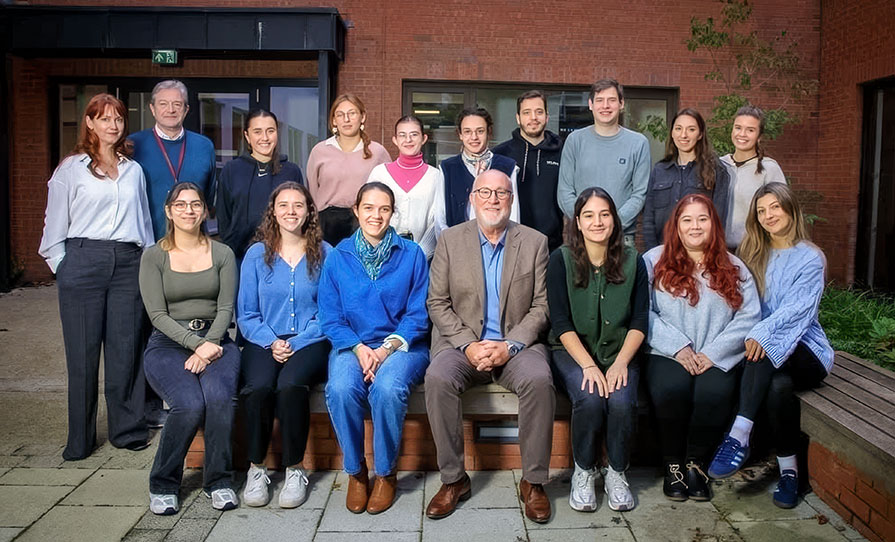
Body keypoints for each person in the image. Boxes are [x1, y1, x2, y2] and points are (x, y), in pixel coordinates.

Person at [425, 170, 554, 523]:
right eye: (486, 192)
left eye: (501, 193)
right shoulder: (450, 240)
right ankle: (454, 480)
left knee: (540, 380)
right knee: (437, 378)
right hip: (461, 344)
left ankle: (533, 481)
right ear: (472, 197)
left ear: (511, 200)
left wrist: (510, 346)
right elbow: (437, 303)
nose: (493, 199)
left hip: (516, 345)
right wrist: (467, 345)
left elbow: (542, 307)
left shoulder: (535, 242)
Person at [38, 93, 154, 461]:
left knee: (125, 351)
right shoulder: (71, 169)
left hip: (127, 262)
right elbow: (53, 222)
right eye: (103, 118)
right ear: (89, 123)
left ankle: (127, 430)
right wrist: (63, 265)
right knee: (83, 355)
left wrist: (148, 263)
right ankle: (80, 439)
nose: (112, 124)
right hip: (83, 261)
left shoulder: (134, 170)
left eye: (118, 118)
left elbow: (144, 223)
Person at [708, 182, 834, 509]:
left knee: (763, 353)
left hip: (808, 352)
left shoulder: (810, 258)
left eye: (775, 207)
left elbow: (798, 312)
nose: (768, 216)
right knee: (777, 387)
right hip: (764, 354)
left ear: (791, 208)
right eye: (761, 210)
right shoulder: (752, 252)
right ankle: (790, 473)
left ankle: (739, 434)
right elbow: (740, 303)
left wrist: (761, 334)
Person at [318, 183, 429, 515]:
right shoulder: (338, 257)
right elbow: (330, 316)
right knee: (339, 388)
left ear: (392, 212)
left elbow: (418, 314)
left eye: (383, 209)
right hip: (351, 346)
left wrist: (383, 350)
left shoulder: (412, 254)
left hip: (402, 347)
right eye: (368, 208)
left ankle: (385, 473)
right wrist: (358, 347)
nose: (376, 215)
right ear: (356, 210)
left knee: (387, 389)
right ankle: (356, 471)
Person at [643, 194, 760, 502]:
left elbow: (749, 316)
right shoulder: (653, 261)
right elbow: (642, 311)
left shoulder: (734, 266)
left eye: (702, 219)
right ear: (676, 226)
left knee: (714, 392)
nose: (695, 226)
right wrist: (678, 347)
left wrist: (713, 353)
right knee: (672, 388)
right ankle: (673, 466)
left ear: (714, 225)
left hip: (716, 353)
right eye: (687, 220)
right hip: (667, 351)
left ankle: (696, 465)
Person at [139, 183, 240, 515]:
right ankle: (164, 483)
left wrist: (210, 344)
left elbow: (226, 308)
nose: (188, 210)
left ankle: (219, 481)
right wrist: (197, 346)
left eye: (195, 204)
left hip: (218, 342)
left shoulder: (222, 253)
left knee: (220, 399)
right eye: (180, 205)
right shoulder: (154, 256)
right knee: (188, 404)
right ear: (169, 211)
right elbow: (156, 315)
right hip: (168, 344)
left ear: (205, 211)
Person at [547, 187, 648, 512]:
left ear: (614, 220)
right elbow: (561, 323)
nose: (597, 221)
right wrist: (589, 366)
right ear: (577, 221)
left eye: (604, 214)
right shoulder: (560, 260)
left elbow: (640, 320)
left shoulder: (634, 261)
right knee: (589, 397)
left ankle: (617, 472)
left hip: (621, 353)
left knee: (620, 401)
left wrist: (620, 364)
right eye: (589, 215)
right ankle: (584, 470)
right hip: (573, 353)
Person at [237, 182, 331, 509]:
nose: (291, 211)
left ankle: (294, 469)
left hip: (311, 340)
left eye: (298, 205)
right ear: (273, 212)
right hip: (263, 338)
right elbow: (246, 313)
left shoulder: (325, 253)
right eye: (283, 205)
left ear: (309, 212)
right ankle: (257, 468)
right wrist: (272, 341)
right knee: (259, 387)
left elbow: (329, 311)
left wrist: (298, 341)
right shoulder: (255, 254)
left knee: (291, 385)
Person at [557, 79, 651, 246]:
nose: (605, 106)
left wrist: (611, 224)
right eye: (600, 100)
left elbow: (639, 194)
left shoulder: (638, 143)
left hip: (622, 238)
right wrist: (588, 224)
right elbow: (564, 192)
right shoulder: (574, 141)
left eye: (612, 100)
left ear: (621, 104)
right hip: (581, 238)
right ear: (591, 104)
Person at [129, 79, 216, 242]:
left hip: (193, 244)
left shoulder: (204, 146)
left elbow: (208, 198)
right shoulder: (133, 145)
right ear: (152, 109)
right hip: (146, 244)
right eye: (163, 104)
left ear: (186, 109)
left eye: (177, 104)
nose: (170, 110)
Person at [217, 109, 304, 261]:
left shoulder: (291, 171)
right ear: (247, 136)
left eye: (270, 131)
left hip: (282, 256)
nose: (265, 138)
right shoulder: (231, 170)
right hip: (239, 256)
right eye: (257, 132)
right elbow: (224, 217)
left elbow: (300, 212)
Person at [307, 94, 391, 246]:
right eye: (340, 114)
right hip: (326, 227)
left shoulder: (378, 152)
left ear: (362, 117)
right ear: (334, 120)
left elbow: (387, 193)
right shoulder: (319, 151)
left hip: (365, 224)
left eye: (352, 113)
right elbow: (312, 192)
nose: (346, 119)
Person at [643, 108, 730, 249]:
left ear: (700, 134)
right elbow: (649, 219)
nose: (683, 135)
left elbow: (718, 219)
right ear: (672, 133)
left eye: (691, 129)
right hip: (662, 252)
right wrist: (652, 252)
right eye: (678, 128)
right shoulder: (660, 169)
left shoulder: (715, 170)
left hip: (699, 253)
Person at [493, 90, 564, 251]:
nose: (533, 117)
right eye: (527, 112)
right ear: (518, 118)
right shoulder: (500, 155)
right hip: (509, 244)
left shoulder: (563, 152)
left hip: (551, 245)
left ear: (547, 116)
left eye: (539, 112)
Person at [366, 115, 445, 258]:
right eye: (402, 135)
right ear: (395, 140)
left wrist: (420, 254)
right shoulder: (380, 174)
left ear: (424, 138)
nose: (408, 140)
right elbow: (369, 213)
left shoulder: (436, 176)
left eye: (414, 135)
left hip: (422, 257)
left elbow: (437, 220)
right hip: (382, 256)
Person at [440, 108, 520, 228]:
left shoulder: (507, 167)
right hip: (457, 243)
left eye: (480, 131)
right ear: (460, 134)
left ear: (489, 132)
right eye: (467, 132)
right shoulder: (447, 168)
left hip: (498, 243)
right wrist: (451, 245)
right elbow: (440, 218)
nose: (474, 137)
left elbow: (514, 215)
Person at [721, 104, 786, 249]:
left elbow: (781, 213)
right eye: (738, 127)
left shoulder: (769, 169)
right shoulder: (719, 165)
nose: (742, 134)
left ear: (759, 137)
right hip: (718, 250)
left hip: (755, 250)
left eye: (750, 130)